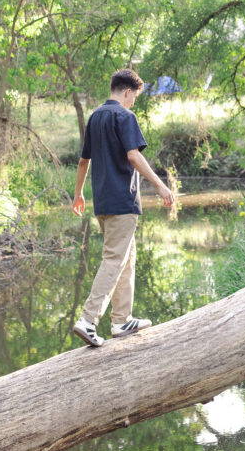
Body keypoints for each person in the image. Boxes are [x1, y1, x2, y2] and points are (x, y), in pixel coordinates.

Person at [71, 67, 175, 347]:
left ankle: (121, 320)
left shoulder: (95, 118)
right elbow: (133, 155)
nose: (133, 103)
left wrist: (79, 193)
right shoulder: (125, 116)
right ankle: (87, 320)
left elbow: (84, 161)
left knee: (127, 260)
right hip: (122, 202)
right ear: (127, 92)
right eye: (134, 98)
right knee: (114, 260)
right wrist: (160, 185)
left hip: (103, 202)